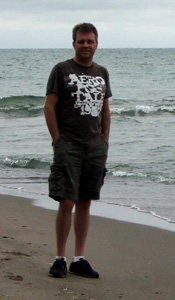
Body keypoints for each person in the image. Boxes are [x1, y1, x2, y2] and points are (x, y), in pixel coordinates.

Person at [44, 23, 112, 278]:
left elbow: (105, 110)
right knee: (66, 200)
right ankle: (60, 258)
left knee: (85, 201)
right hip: (68, 145)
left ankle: (79, 258)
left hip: (95, 148)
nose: (86, 45)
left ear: (96, 44)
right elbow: (49, 106)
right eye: (81, 41)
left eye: (90, 41)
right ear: (74, 44)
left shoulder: (102, 72)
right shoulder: (61, 70)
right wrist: (57, 140)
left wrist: (104, 141)